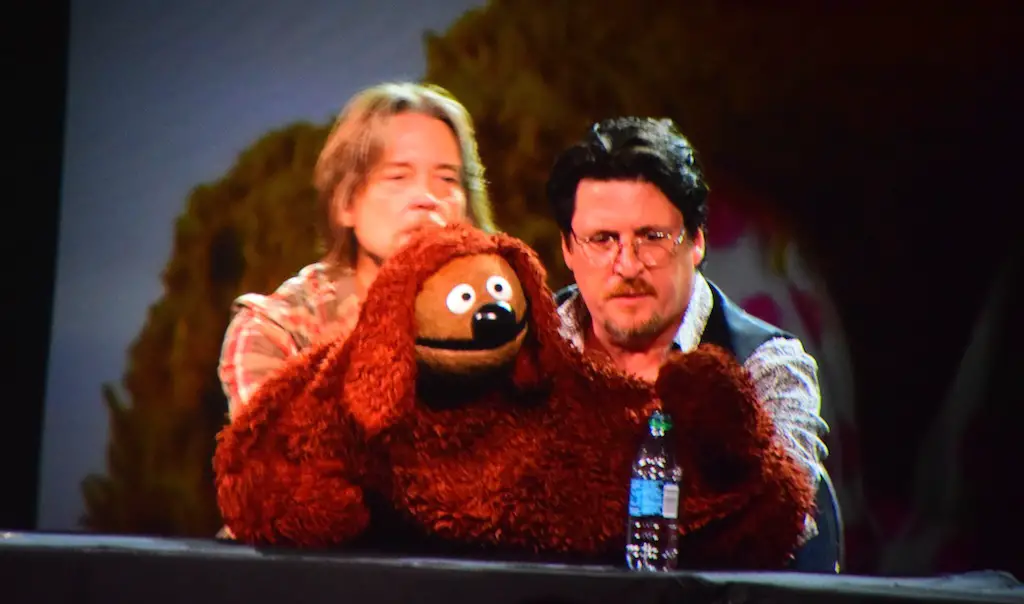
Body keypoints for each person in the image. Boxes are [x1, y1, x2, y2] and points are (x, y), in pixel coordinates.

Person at [215, 81, 496, 537]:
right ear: (347, 202)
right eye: (398, 177)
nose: (427, 197)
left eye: (447, 179)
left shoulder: (499, 325)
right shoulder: (275, 329)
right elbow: (279, 483)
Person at [545, 116, 832, 554]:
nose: (628, 265)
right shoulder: (530, 344)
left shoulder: (766, 365)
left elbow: (791, 525)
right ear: (568, 248)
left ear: (696, 241)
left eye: (652, 237)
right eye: (602, 239)